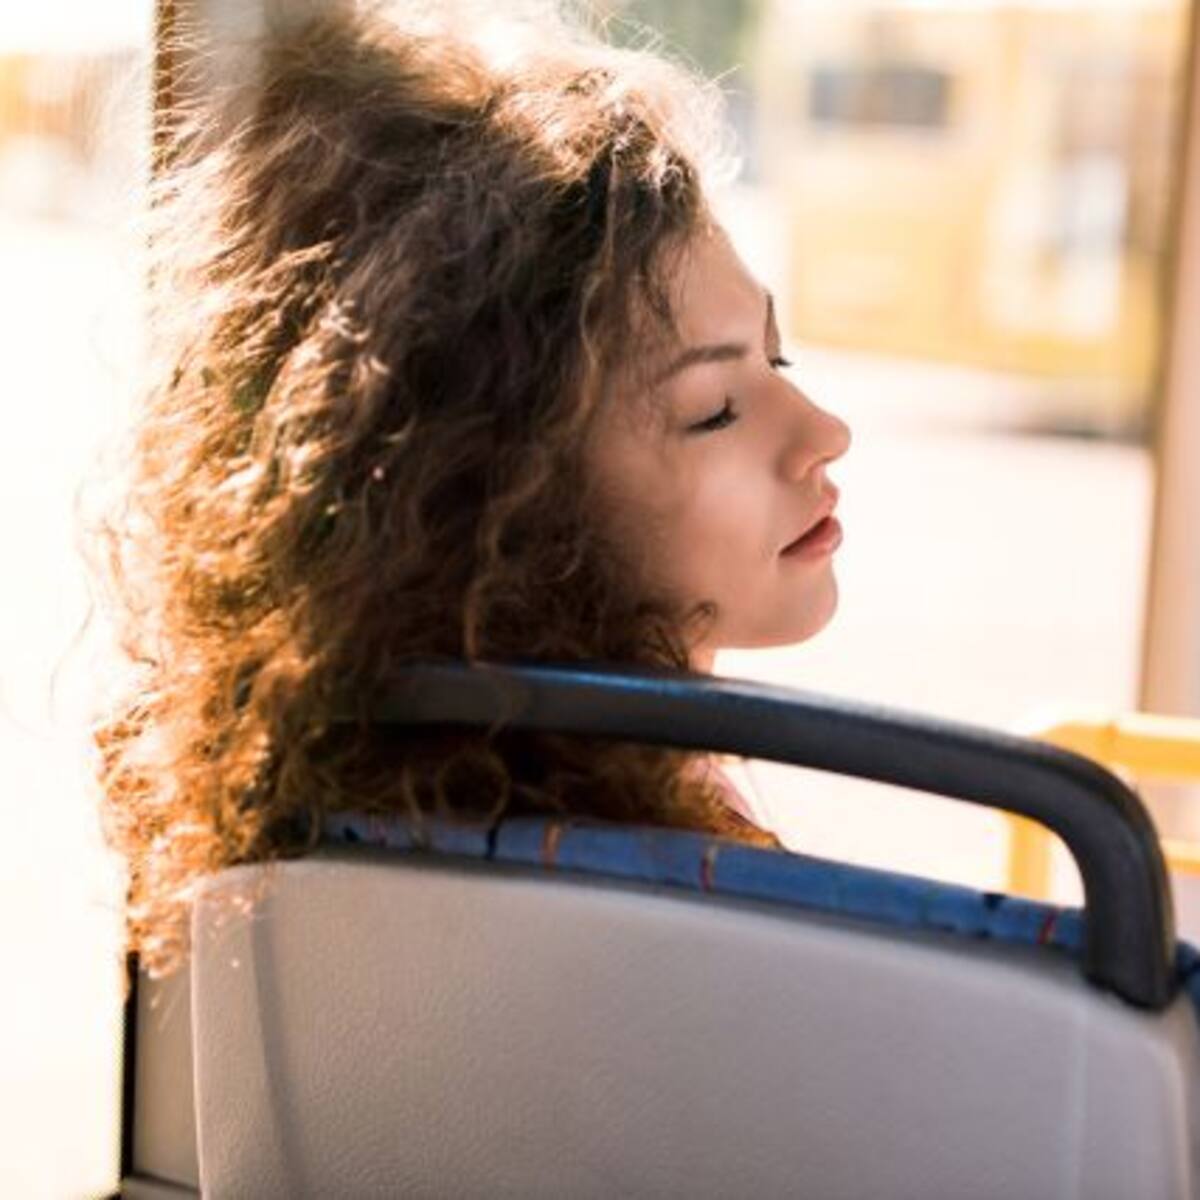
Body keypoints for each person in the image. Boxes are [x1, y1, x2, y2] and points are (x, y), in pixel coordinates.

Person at [93, 0, 850, 976]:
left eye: (777, 360)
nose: (825, 434)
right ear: (503, 505)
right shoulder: (693, 895)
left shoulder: (336, 822)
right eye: (714, 410)